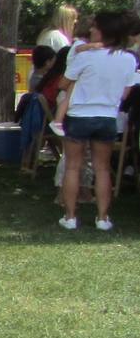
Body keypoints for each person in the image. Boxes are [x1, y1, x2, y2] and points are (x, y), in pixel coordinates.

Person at [53, 12, 139, 230]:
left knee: (73, 166)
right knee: (102, 168)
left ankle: (70, 216)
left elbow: (63, 84)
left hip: (80, 115)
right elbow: (125, 94)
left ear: (103, 31)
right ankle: (102, 217)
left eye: (94, 27)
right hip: (107, 117)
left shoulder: (86, 56)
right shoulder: (128, 59)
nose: (90, 30)